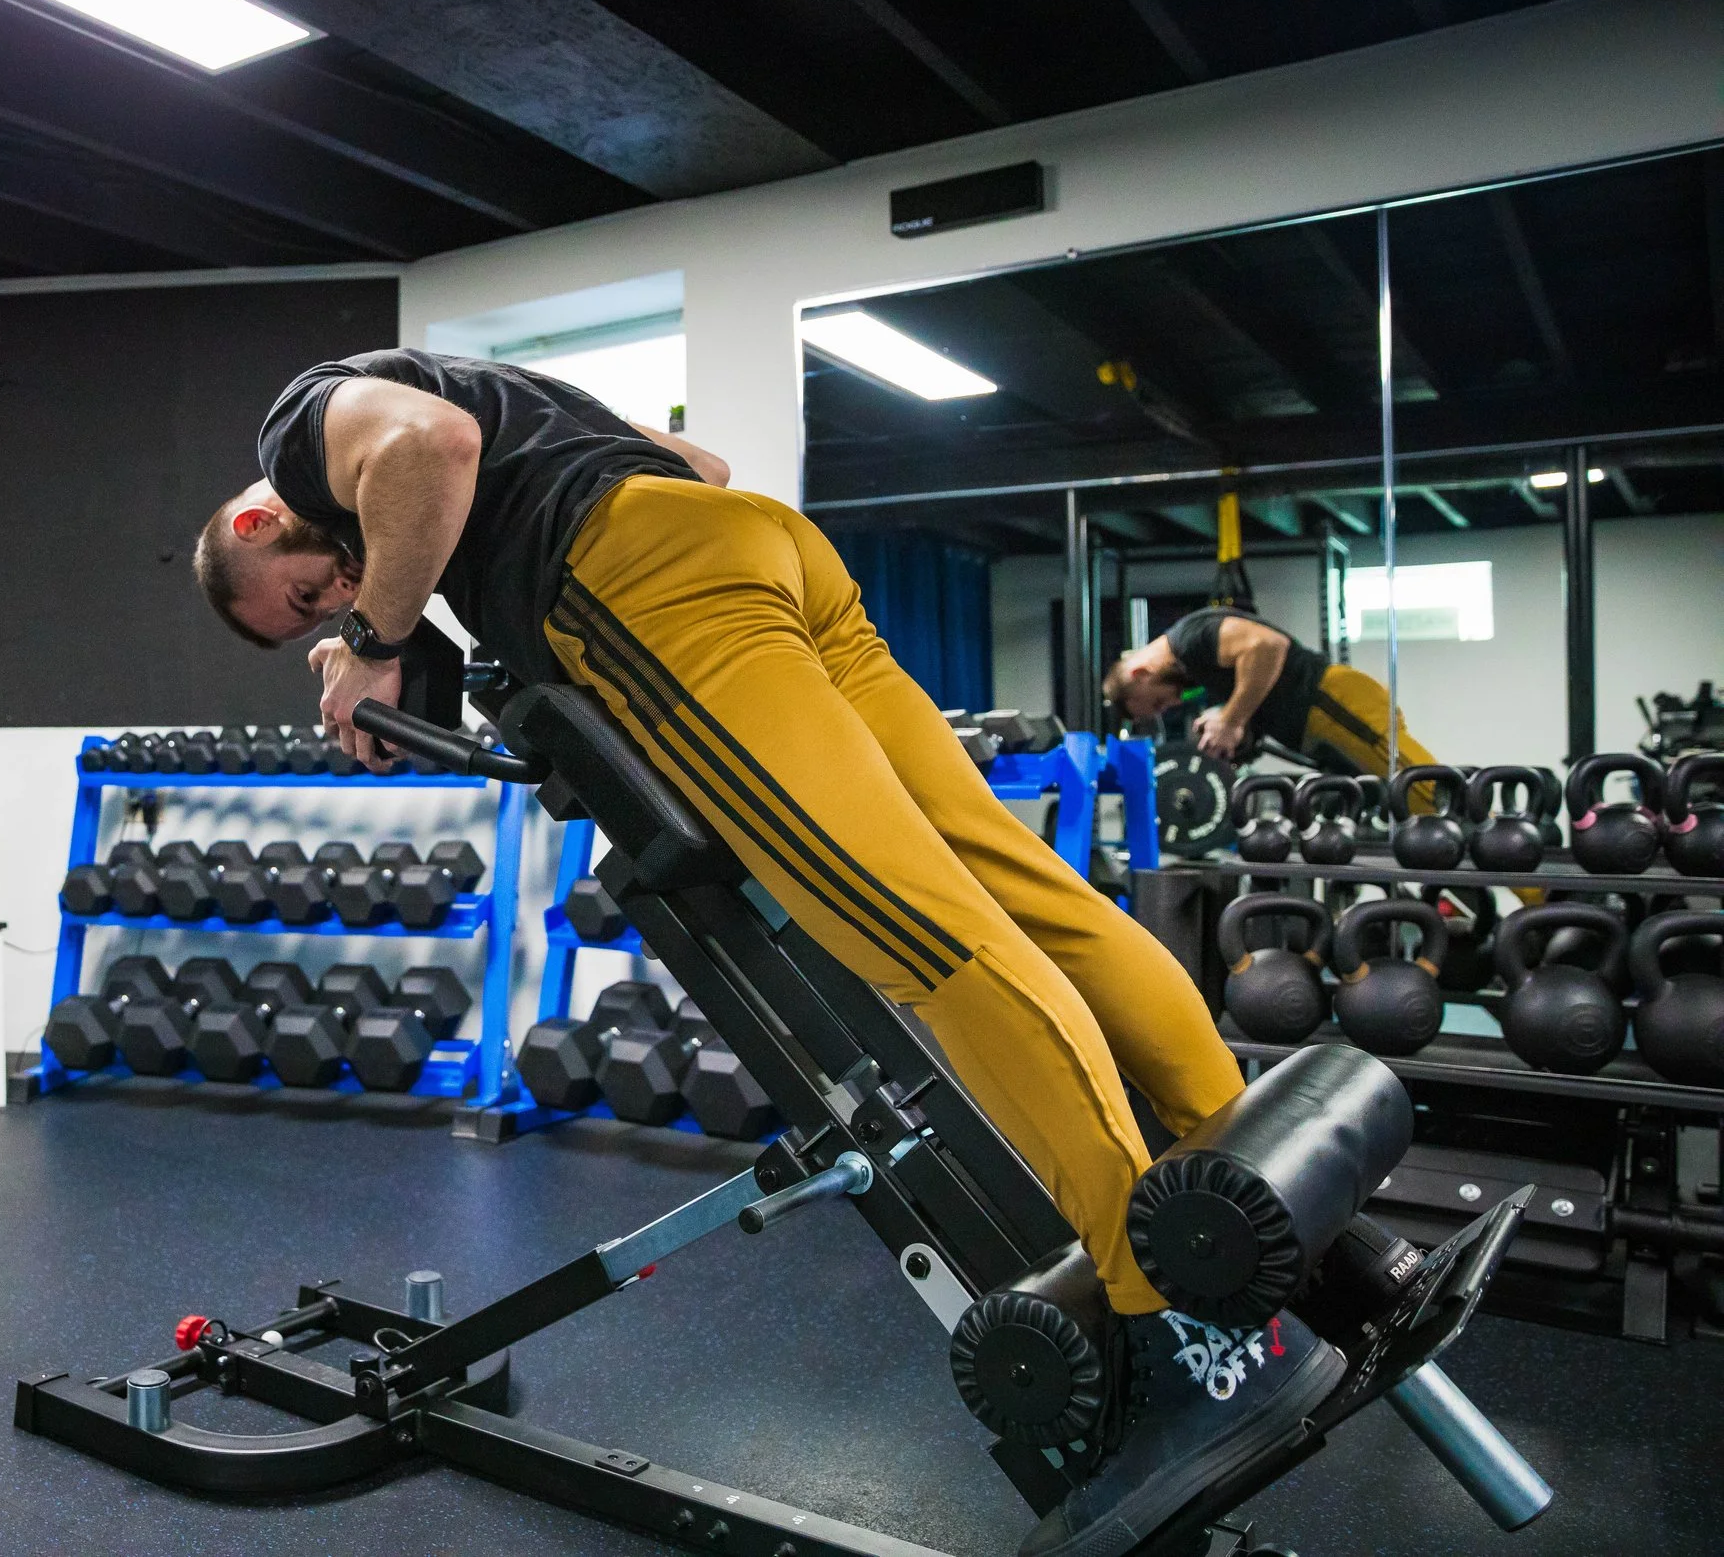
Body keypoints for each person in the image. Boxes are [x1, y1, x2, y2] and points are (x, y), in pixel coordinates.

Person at [191, 349, 1341, 1557]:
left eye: (305, 595)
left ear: (261, 520)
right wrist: (405, 618)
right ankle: (1262, 1211)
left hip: (645, 587)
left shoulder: (297, 428)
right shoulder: (496, 392)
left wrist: (373, 638)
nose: (329, 607)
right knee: (1031, 894)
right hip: (765, 552)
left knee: (924, 941)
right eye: (315, 616)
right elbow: (699, 462)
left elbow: (429, 451)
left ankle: (1179, 1330)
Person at [1103, 606, 1438, 781]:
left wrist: (1231, 720)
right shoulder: (1194, 664)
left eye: (1159, 701)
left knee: (1425, 792)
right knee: (1402, 802)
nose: (1173, 703)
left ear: (1140, 673)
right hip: (1321, 723)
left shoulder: (1191, 638)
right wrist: (1229, 722)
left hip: (1332, 702)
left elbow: (1267, 646)